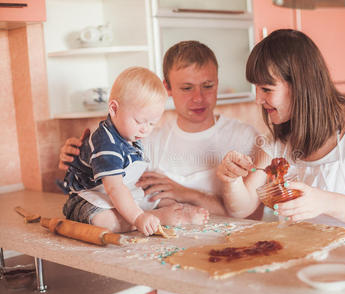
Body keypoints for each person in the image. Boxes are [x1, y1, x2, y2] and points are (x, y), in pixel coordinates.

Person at [216, 29, 345, 234]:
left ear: (300, 86)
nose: (258, 100)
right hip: (301, 261)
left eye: (267, 90)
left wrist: (324, 201)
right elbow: (242, 208)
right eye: (257, 89)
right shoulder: (278, 141)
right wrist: (232, 180)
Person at [58, 41, 260, 220]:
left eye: (208, 86)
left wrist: (187, 194)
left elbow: (252, 215)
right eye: (187, 88)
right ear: (167, 88)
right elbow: (118, 192)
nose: (198, 98)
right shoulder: (145, 141)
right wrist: (81, 158)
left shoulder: (243, 137)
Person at [61, 66, 171, 236]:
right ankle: (152, 219)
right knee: (103, 222)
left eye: (151, 124)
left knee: (162, 199)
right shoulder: (106, 143)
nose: (145, 130)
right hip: (86, 198)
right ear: (114, 108)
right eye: (140, 121)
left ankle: (145, 217)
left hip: (112, 193)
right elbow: (114, 188)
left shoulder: (130, 135)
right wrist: (138, 218)